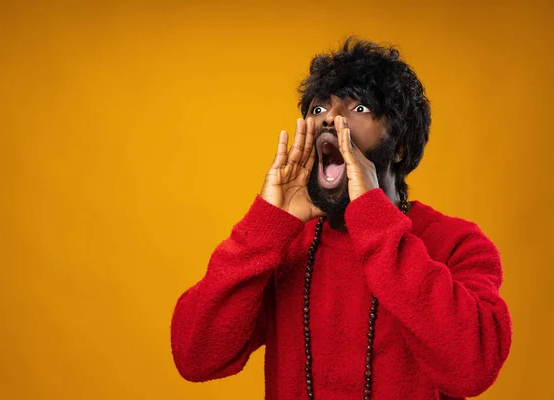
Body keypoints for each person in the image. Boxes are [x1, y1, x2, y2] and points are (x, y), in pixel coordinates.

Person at [170, 37, 512, 400]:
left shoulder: (457, 242)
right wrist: (265, 226)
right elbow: (195, 358)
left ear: (398, 147)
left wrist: (373, 218)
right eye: (318, 110)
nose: (330, 119)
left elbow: (473, 369)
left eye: (359, 107)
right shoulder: (287, 246)